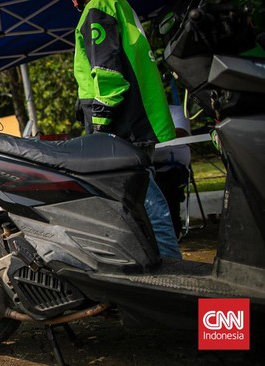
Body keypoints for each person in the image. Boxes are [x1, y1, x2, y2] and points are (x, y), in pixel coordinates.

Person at [72, 0, 181, 259]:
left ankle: (173, 275)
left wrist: (100, 120)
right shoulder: (117, 3)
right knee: (136, 206)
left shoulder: (98, 7)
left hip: (122, 125)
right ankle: (158, 271)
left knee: (148, 207)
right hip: (135, 120)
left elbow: (107, 67)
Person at [154, 105, 191, 239]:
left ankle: (172, 231)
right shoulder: (138, 111)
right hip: (147, 165)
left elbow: (181, 132)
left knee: (163, 183)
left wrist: (148, 135)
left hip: (174, 166)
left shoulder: (177, 111)